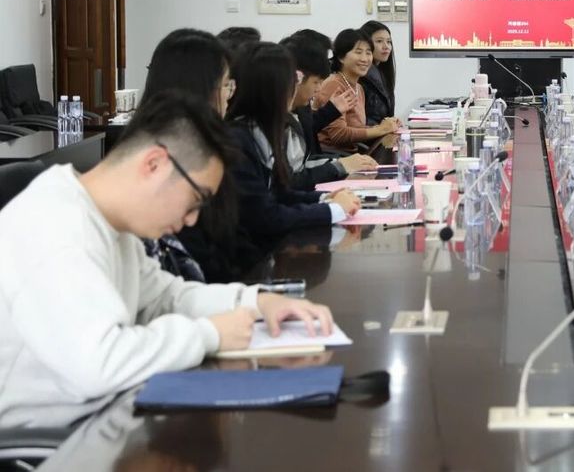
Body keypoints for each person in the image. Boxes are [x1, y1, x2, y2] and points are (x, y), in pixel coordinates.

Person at [0, 90, 335, 427]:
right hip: (51, 439)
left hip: (105, 414)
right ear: (154, 164)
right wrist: (209, 334)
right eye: (195, 199)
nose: (191, 219)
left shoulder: (112, 223)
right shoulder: (55, 226)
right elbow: (100, 365)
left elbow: (167, 297)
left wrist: (256, 301)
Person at [139, 28, 260, 284]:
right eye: (226, 85)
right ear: (199, 88)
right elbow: (198, 256)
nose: (230, 95)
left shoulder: (208, 142)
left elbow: (232, 232)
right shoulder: (168, 157)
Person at [227, 42, 361, 248]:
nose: (295, 87)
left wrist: (325, 198)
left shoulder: (265, 129)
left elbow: (281, 193)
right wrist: (332, 210)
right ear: (271, 88)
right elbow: (265, 216)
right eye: (292, 81)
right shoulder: (239, 140)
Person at [280, 35, 377, 191]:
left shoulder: (358, 87)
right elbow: (288, 185)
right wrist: (339, 166)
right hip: (327, 161)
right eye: (316, 82)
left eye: (368, 52)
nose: (319, 88)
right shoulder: (274, 122)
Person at [314, 29, 401, 152]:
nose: (365, 59)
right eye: (358, 52)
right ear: (341, 57)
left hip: (352, 152)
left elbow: (357, 129)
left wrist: (385, 126)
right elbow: (338, 135)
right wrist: (380, 129)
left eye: (368, 53)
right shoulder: (334, 84)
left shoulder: (358, 88)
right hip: (332, 156)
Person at [359, 20, 396, 125]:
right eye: (379, 41)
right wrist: (382, 126)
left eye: (388, 42)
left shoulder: (381, 73)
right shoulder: (362, 76)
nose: (386, 46)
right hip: (369, 134)